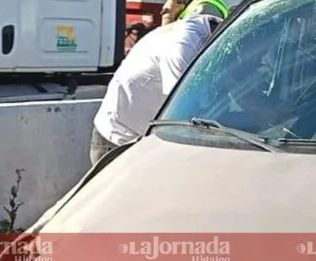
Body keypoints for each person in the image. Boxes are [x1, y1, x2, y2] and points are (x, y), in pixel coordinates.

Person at [89, 11, 223, 165]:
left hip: (144, 140)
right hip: (118, 142)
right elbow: (182, 112)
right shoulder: (182, 47)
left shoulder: (218, 33)